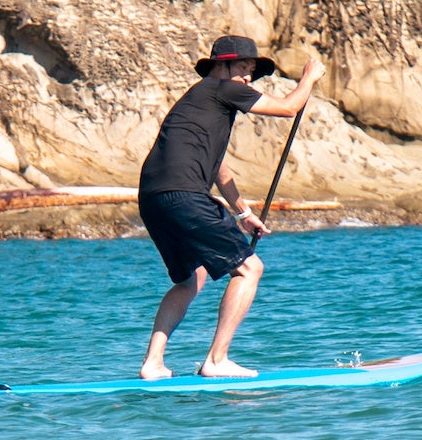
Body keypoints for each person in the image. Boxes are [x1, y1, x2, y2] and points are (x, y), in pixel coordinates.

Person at [136, 35, 325, 379]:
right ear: (221, 66)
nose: (247, 78)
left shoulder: (197, 101)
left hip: (152, 198)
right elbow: (287, 108)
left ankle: (153, 364)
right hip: (184, 195)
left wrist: (243, 214)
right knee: (250, 269)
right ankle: (217, 361)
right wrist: (308, 78)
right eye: (242, 68)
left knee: (191, 278)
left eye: (251, 72)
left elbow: (219, 169)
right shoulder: (222, 88)